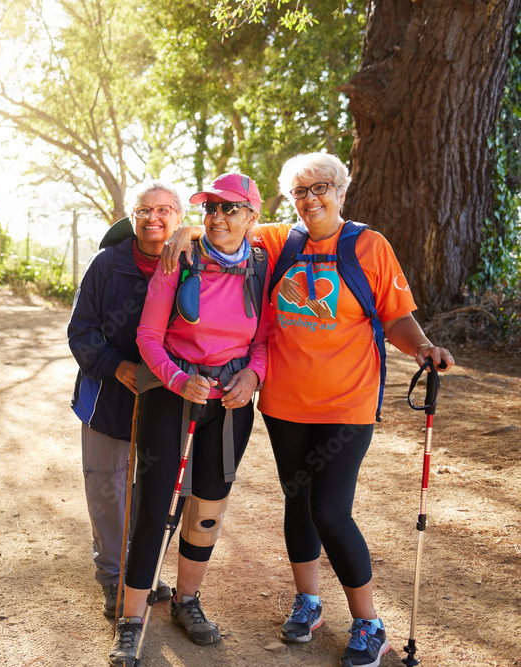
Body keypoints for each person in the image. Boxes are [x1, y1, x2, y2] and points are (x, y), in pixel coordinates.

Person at [161, 154, 455, 667]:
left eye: (321, 187)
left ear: (342, 190)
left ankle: (369, 623)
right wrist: (185, 231)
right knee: (297, 503)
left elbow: (397, 318)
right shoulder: (278, 243)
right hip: (284, 403)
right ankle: (309, 602)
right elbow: (226, 229)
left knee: (330, 510)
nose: (310, 198)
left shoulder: (369, 245)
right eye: (300, 192)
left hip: (348, 403)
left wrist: (423, 347)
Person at [109, 173, 272, 666]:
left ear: (251, 217)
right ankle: (131, 620)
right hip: (170, 391)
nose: (217, 217)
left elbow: (263, 340)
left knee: (207, 505)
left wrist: (254, 377)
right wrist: (179, 380)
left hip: (229, 399)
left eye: (229, 209)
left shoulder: (262, 265)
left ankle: (186, 601)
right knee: (155, 502)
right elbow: (147, 337)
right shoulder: (179, 258)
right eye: (210, 208)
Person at [67, 180, 182, 617]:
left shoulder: (190, 264)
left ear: (178, 218)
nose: (154, 218)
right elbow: (80, 331)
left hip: (167, 398)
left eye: (165, 210)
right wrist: (117, 366)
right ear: (132, 215)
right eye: (145, 209)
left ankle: (142, 572)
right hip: (107, 399)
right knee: (108, 487)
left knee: (156, 490)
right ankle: (114, 580)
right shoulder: (105, 265)